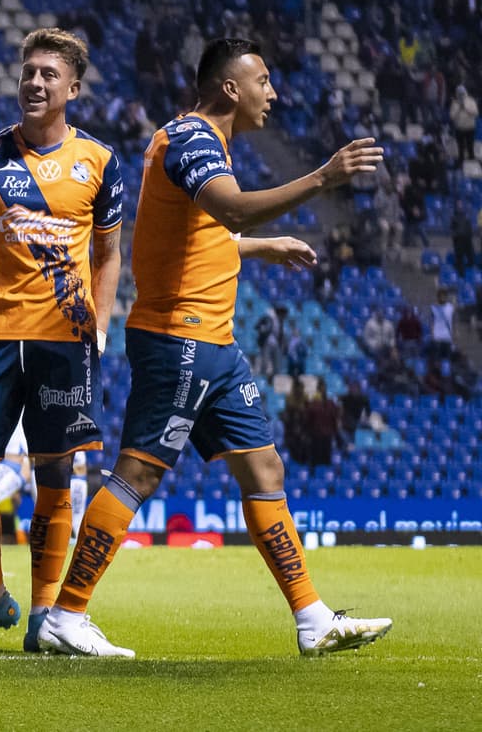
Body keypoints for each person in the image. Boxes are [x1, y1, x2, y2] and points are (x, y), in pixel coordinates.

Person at [37, 38, 392, 658]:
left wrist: (262, 247)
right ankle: (66, 615)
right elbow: (231, 211)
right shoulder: (192, 139)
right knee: (140, 470)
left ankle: (312, 618)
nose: (272, 93)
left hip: (215, 344)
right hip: (179, 337)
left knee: (265, 468)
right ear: (232, 88)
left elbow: (190, 237)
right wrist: (323, 177)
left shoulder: (203, 143)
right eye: (264, 81)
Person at [0, 28, 123, 653]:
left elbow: (110, 255)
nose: (36, 83)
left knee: (55, 473)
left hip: (64, 340)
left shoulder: (99, 161)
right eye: (29, 72)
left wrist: (100, 328)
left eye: (49, 74)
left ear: (74, 88)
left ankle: (45, 616)